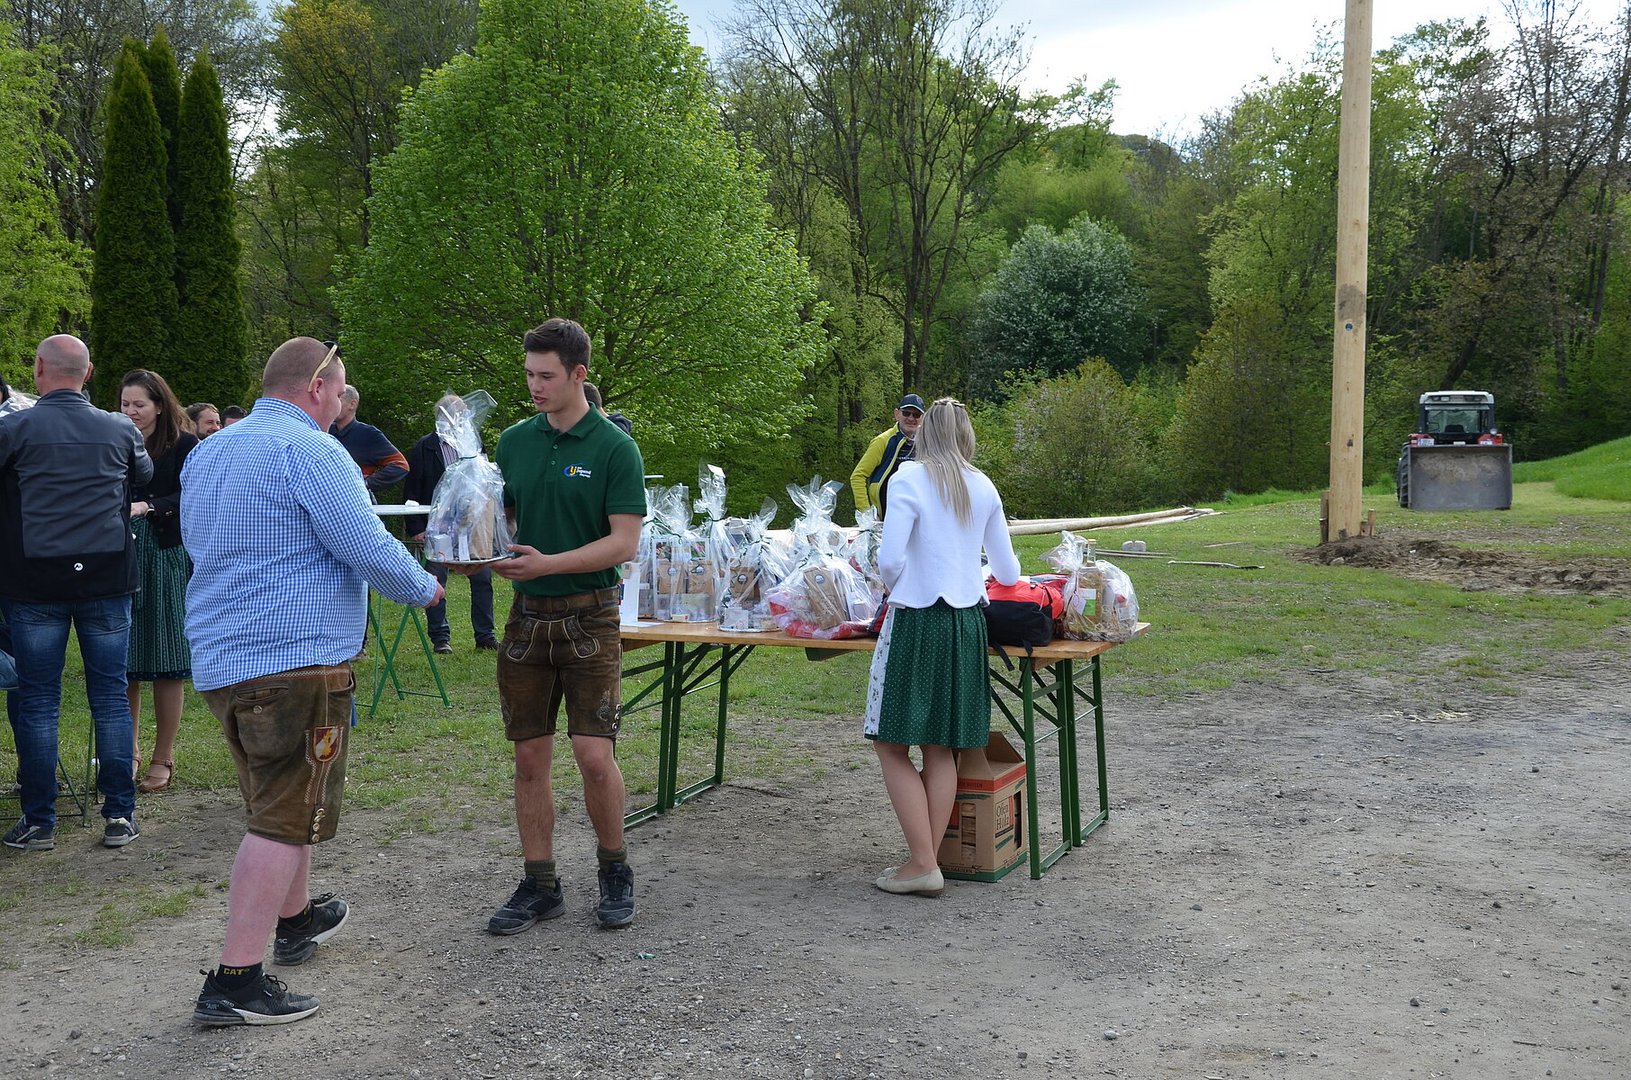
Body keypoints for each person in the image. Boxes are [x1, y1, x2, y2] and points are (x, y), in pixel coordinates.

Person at [181, 337, 442, 1026]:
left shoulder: (212, 449)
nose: (341, 405)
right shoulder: (314, 451)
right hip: (292, 663)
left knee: (280, 800)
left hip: (223, 658)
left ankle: (296, 920)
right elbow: (365, 545)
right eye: (339, 391)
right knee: (280, 818)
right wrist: (425, 588)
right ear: (318, 387)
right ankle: (236, 980)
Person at [480, 317, 645, 934]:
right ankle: (540, 883)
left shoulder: (615, 448)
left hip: (590, 614)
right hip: (526, 617)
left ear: (579, 374)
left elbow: (623, 543)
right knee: (529, 757)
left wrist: (548, 563)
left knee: (594, 755)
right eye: (529, 374)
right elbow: (502, 522)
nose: (534, 386)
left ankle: (614, 869)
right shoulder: (513, 442)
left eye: (546, 375)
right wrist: (476, 548)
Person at [863, 397, 1020, 897]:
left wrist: (905, 584)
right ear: (967, 436)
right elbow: (1009, 572)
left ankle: (923, 863)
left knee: (891, 744)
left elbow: (889, 561)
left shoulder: (908, 478)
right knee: (940, 745)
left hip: (916, 618)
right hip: (966, 623)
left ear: (924, 433)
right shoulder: (983, 484)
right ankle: (924, 863)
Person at [0, 335, 151, 852]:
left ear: (38, 368)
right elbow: (143, 476)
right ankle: (120, 814)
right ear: (88, 374)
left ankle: (40, 821)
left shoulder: (13, 428)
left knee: (39, 701)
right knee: (109, 696)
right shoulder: (119, 427)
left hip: (34, 579)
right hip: (106, 575)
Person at [120, 370, 200, 795]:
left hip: (166, 555)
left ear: (159, 405)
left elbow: (193, 495)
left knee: (168, 659)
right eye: (125, 404)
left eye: (139, 404)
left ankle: (162, 755)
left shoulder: (185, 444)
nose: (131, 412)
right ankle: (127, 752)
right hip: (120, 555)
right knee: (126, 660)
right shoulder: (116, 438)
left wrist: (149, 506)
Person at [404, 394, 498, 654]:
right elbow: (411, 489)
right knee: (437, 580)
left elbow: (485, 482)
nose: (461, 418)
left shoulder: (473, 444)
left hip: (472, 525)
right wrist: (417, 528)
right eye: (455, 413)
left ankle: (486, 635)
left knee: (482, 578)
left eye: (463, 413)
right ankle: (440, 637)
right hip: (438, 525)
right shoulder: (425, 447)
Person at [850, 394, 924, 519]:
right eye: (906, 413)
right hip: (883, 519)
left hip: (916, 518)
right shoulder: (883, 441)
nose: (911, 418)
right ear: (897, 414)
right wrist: (867, 514)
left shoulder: (926, 444)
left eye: (916, 415)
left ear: (923, 418)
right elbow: (858, 476)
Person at [330, 382, 409, 497]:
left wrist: (366, 483)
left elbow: (400, 465)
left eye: (339, 400)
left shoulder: (368, 434)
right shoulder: (325, 431)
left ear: (352, 404)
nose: (333, 405)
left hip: (357, 500)